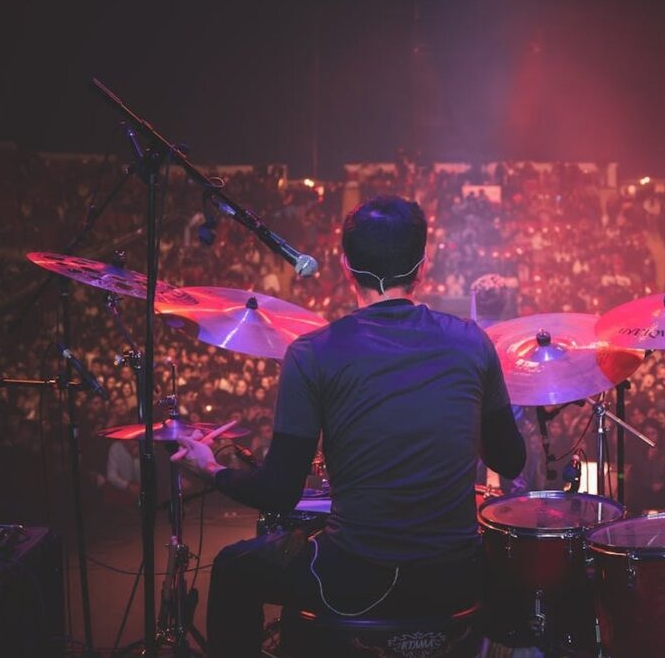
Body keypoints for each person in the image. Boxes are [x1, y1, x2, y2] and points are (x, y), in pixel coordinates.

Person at [171, 196, 525, 656]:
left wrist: (210, 470)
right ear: (423, 264)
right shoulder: (473, 344)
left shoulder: (312, 353)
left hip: (356, 580)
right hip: (454, 580)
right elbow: (511, 460)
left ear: (343, 265)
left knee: (235, 567)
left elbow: (279, 491)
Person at [469, 273, 547, 494]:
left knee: (471, 485)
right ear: (504, 302)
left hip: (472, 417)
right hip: (510, 416)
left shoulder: (467, 334)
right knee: (515, 485)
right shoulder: (514, 336)